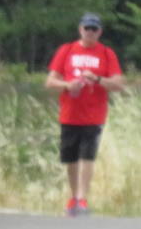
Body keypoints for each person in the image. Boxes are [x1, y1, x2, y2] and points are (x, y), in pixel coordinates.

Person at [44, 12, 124, 216]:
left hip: (94, 114)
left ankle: (82, 198)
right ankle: (73, 196)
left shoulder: (106, 53)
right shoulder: (67, 50)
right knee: (70, 157)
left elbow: (118, 84)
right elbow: (50, 81)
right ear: (80, 29)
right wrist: (67, 85)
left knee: (87, 156)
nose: (90, 32)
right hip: (70, 113)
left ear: (100, 32)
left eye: (94, 29)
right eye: (87, 28)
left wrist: (97, 79)